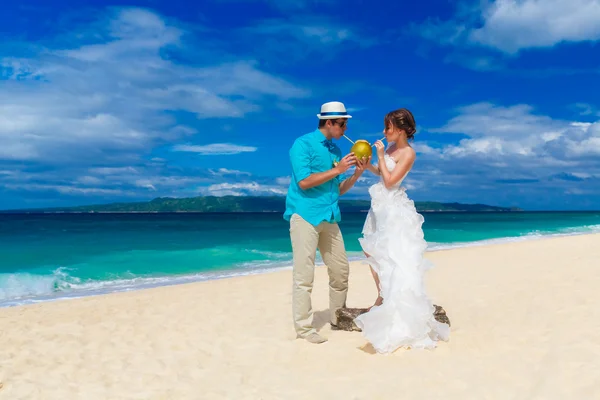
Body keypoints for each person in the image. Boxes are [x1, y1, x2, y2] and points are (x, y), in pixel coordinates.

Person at [353, 108, 450, 353]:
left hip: (394, 210)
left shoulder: (408, 152)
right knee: (372, 253)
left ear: (402, 129)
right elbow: (381, 173)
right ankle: (382, 294)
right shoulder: (392, 150)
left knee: (395, 255)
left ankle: (390, 301)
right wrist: (368, 167)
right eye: (385, 127)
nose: (384, 132)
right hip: (379, 207)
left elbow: (390, 181)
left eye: (388, 128)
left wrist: (380, 153)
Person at [284, 101, 369, 344]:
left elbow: (338, 190)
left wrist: (355, 173)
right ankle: (303, 329)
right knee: (304, 276)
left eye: (346, 124)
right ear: (329, 122)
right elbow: (304, 182)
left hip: (329, 216)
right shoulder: (303, 144)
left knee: (341, 272)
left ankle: (337, 317)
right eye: (343, 124)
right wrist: (338, 168)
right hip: (305, 215)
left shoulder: (336, 151)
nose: (345, 128)